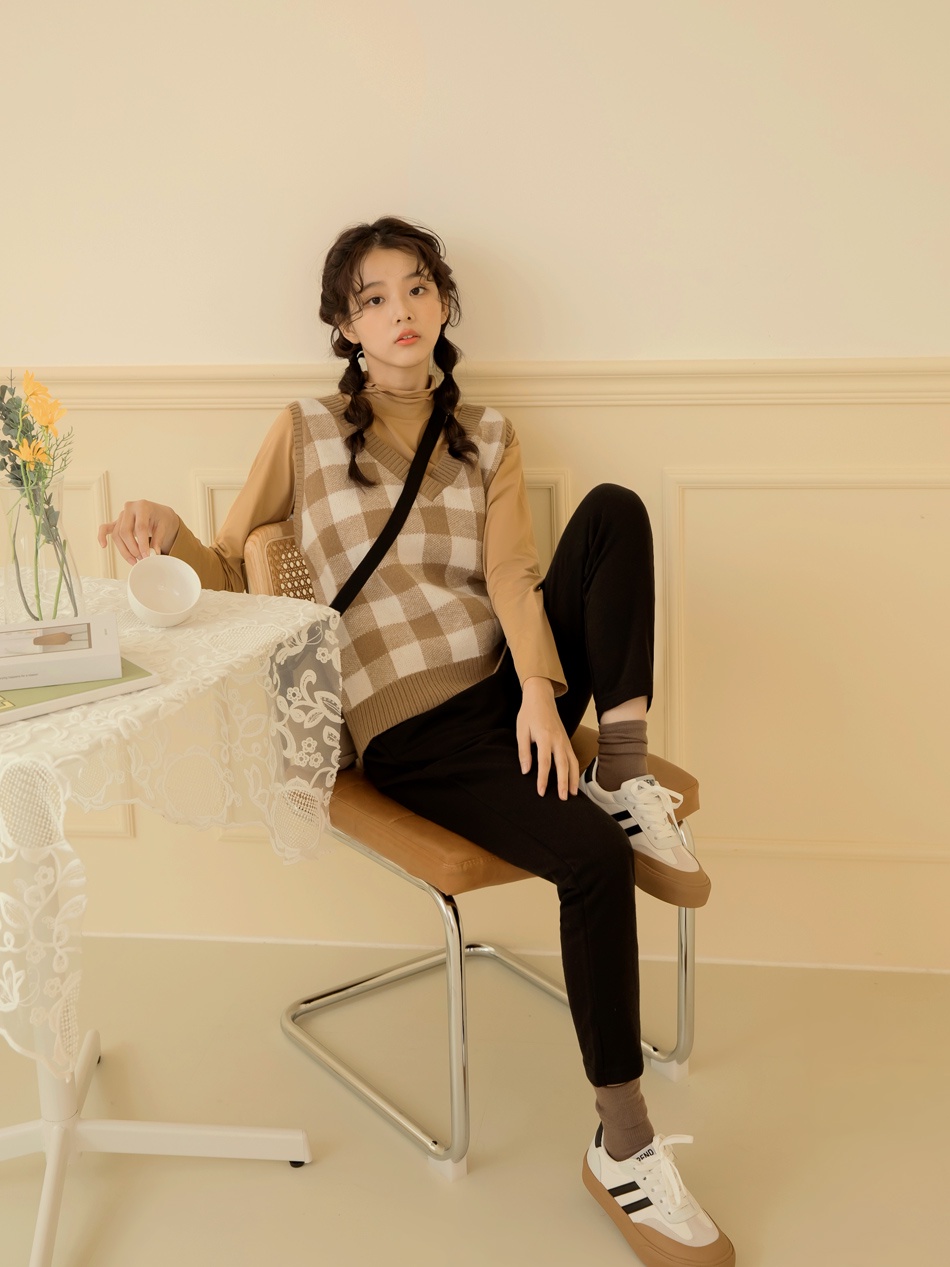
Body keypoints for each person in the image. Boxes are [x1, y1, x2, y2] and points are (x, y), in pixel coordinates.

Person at [99, 217, 735, 1267]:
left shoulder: (487, 432)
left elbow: (512, 577)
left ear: (442, 302)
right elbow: (225, 567)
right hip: (408, 724)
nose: (400, 311)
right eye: (373, 298)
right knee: (589, 858)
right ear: (345, 328)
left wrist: (541, 695)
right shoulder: (305, 431)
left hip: (503, 687)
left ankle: (620, 773)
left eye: (416, 288)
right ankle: (623, 1146)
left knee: (613, 513)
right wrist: (167, 527)